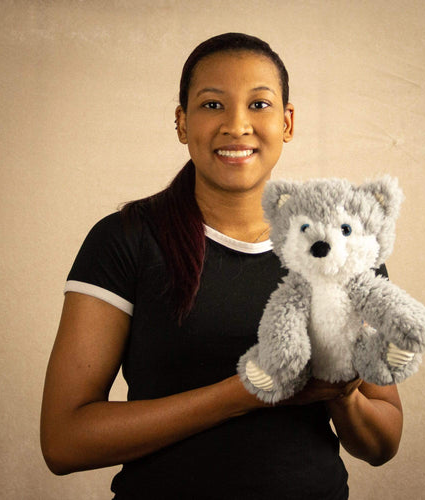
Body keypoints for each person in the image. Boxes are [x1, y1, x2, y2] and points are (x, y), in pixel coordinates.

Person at [40, 33, 403, 499]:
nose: (236, 125)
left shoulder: (343, 248)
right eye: (212, 105)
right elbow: (64, 442)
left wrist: (342, 393)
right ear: (181, 122)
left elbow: (383, 442)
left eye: (259, 104)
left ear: (287, 122)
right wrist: (242, 394)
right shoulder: (125, 240)